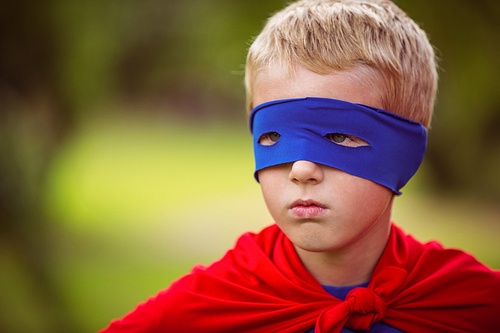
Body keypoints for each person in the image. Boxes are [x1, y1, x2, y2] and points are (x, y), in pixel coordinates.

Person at [99, 0, 500, 332]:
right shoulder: (208, 305)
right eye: (273, 138)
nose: (301, 168)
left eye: (339, 137)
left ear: (405, 154)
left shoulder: (473, 304)